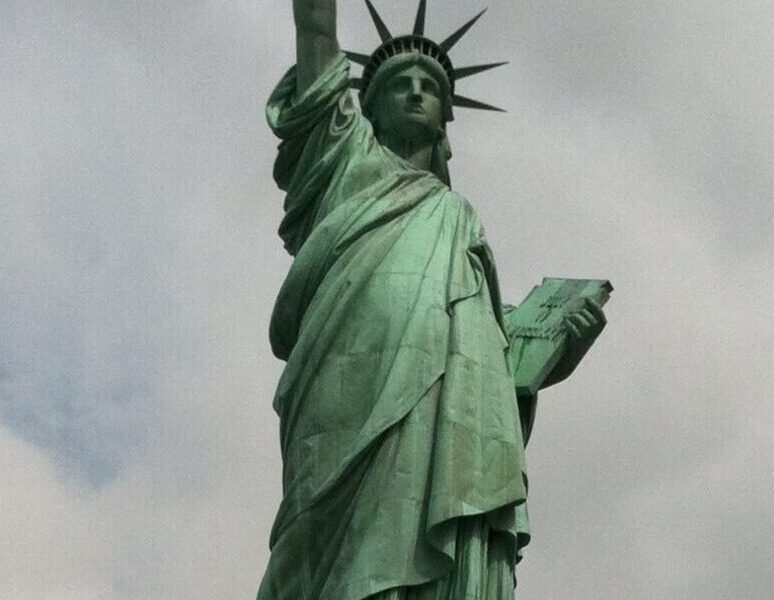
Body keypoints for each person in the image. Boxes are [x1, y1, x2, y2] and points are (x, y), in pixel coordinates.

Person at [257, 1, 606, 598]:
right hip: (346, 385)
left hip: (447, 416)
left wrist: (555, 352)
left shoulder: (459, 218)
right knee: (328, 549)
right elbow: (314, 27)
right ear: (366, 108)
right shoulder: (343, 161)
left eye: (430, 87)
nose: (417, 92)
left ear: (446, 117)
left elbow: (491, 356)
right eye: (401, 84)